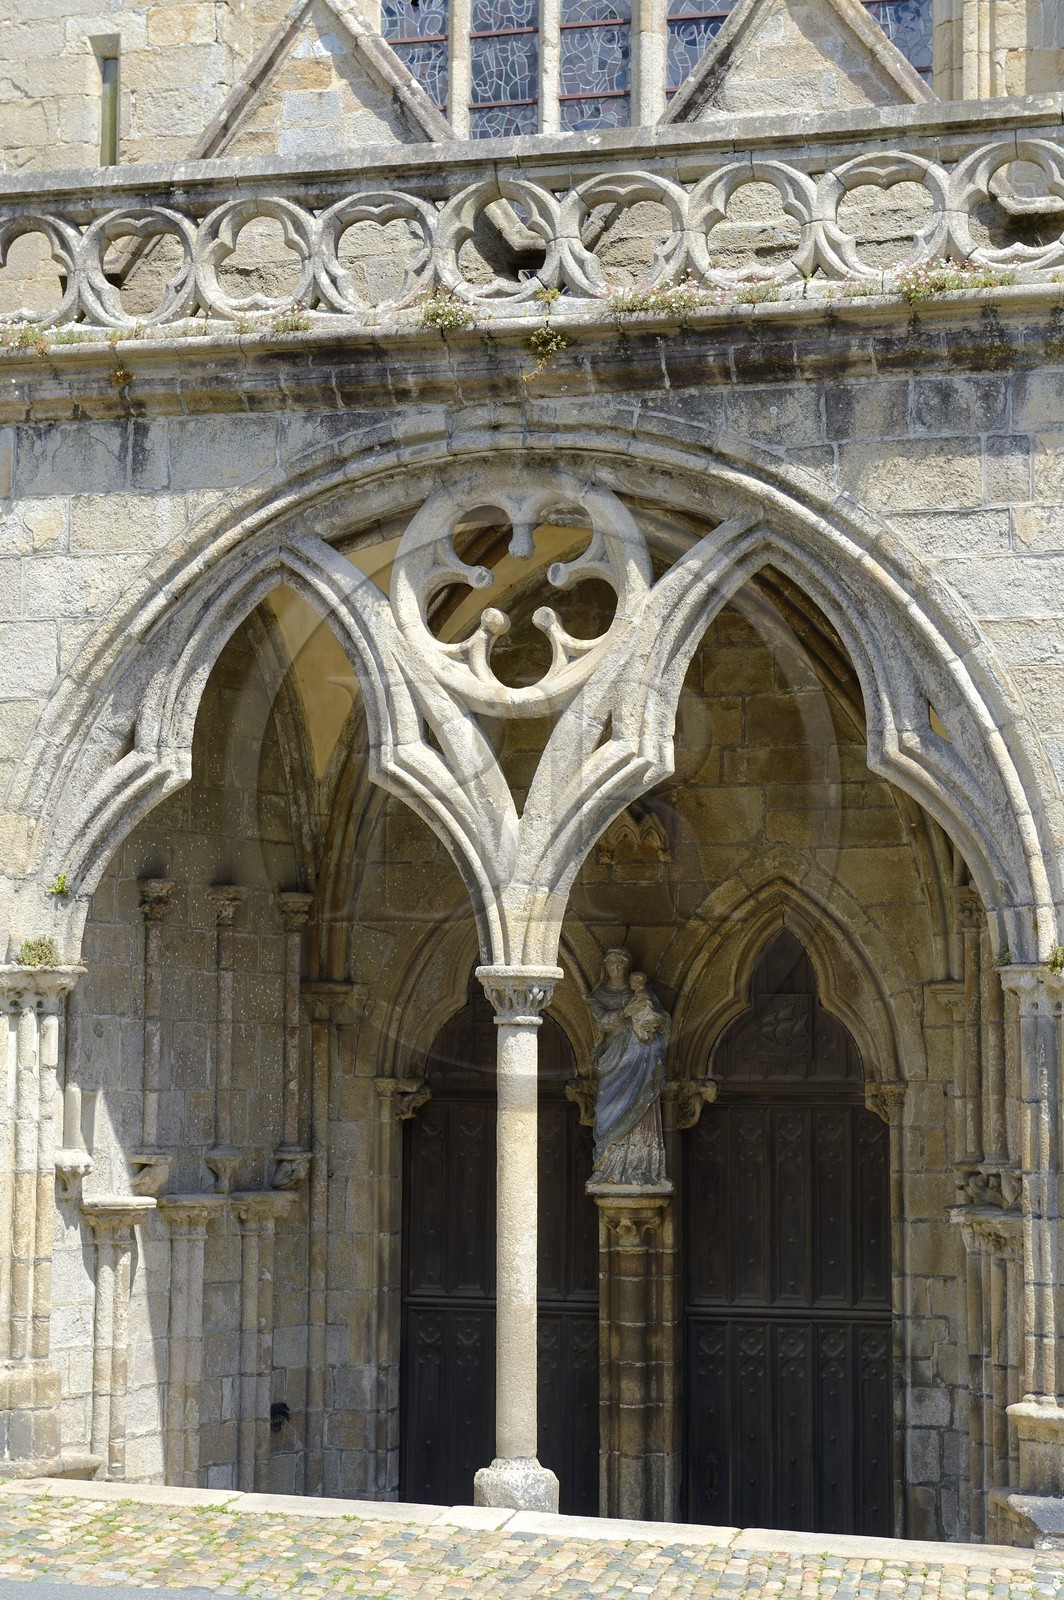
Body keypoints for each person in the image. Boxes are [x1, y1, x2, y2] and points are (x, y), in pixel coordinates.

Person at [586, 948, 670, 1187]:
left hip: (641, 1059)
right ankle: (607, 1169)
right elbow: (602, 1022)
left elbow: (661, 1018)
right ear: (604, 966)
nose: (615, 968)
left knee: (642, 1104)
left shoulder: (642, 993)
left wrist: (655, 1020)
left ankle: (640, 1167)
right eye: (611, 963)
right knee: (606, 1114)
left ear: (628, 968)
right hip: (614, 1061)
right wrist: (626, 1012)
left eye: (621, 963)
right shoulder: (597, 996)